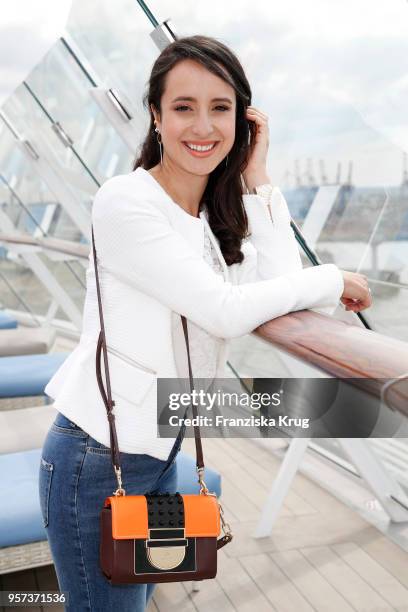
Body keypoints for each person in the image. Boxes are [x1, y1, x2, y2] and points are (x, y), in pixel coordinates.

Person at [39, 34, 371, 611]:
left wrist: (258, 177)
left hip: (159, 449)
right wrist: (333, 277)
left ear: (242, 121)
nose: (203, 126)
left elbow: (282, 290)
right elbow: (226, 310)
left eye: (220, 108)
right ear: (155, 115)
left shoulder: (202, 221)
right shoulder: (125, 201)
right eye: (183, 107)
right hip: (99, 457)